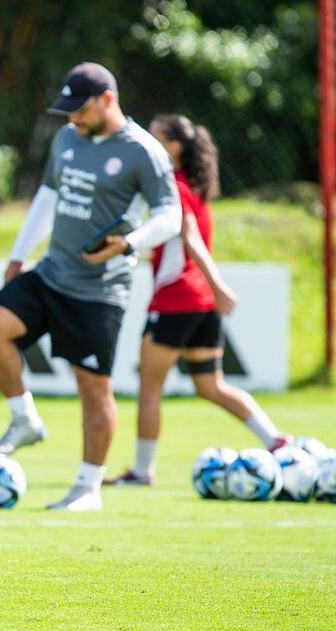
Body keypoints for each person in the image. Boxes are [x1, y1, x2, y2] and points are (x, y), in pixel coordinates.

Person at [0, 62, 182, 511]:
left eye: (79, 109)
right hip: (51, 273)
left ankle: (88, 489)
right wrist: (18, 254)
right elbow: (48, 197)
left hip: (99, 290)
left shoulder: (143, 151)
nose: (71, 118)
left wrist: (129, 244)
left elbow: (171, 216)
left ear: (108, 99)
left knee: (93, 390)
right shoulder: (67, 138)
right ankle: (24, 419)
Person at [105, 114, 292, 486]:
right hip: (201, 303)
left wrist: (219, 284)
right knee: (211, 386)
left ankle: (142, 471)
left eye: (156, 137)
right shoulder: (194, 186)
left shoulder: (172, 186)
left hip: (177, 301)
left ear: (173, 147)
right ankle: (276, 442)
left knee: (149, 387)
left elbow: (189, 239)